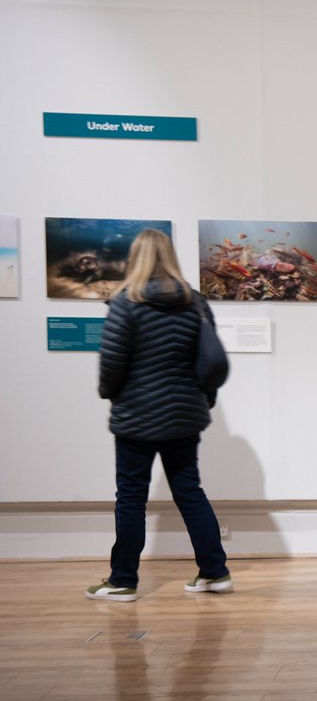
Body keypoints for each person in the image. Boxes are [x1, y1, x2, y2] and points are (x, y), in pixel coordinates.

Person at [86, 229, 232, 601]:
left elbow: (112, 363)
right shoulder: (195, 302)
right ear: (170, 256)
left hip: (136, 415)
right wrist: (204, 401)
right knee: (190, 492)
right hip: (185, 413)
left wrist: (110, 395)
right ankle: (215, 573)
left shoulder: (125, 302)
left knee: (131, 497)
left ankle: (123, 581)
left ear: (135, 258)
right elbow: (210, 359)